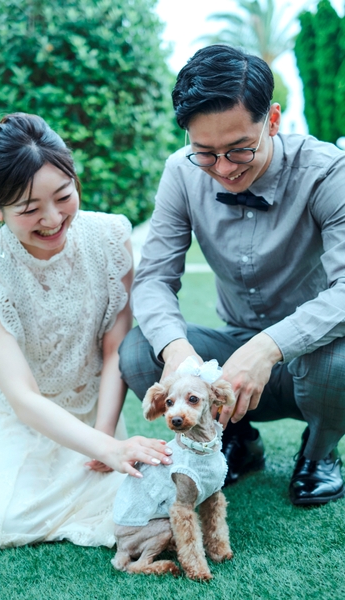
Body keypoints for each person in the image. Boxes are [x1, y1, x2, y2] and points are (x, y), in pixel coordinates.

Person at [119, 44, 345, 506]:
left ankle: (320, 452)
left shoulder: (328, 172)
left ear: (273, 120)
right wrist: (178, 351)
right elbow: (154, 278)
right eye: (205, 153)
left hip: (314, 356)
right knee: (141, 351)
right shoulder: (180, 173)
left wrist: (267, 347)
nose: (223, 169)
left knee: (339, 363)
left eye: (240, 149)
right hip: (228, 353)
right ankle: (235, 438)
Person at [0, 113, 172, 549]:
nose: (52, 218)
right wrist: (106, 449)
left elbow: (115, 348)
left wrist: (104, 436)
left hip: (96, 411)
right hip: (16, 419)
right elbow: (23, 397)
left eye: (64, 196)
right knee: (3, 512)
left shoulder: (111, 237)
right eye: (29, 210)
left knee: (137, 490)